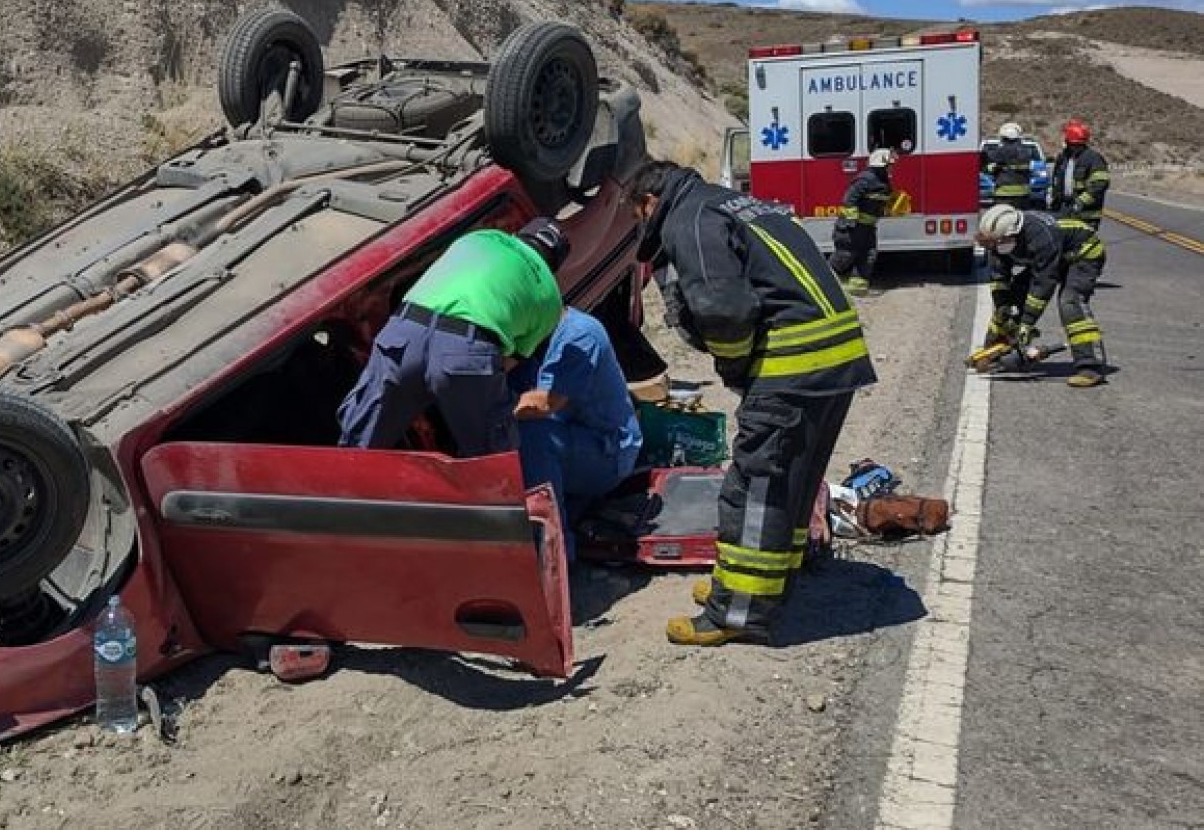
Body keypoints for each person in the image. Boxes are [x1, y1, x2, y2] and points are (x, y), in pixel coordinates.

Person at [630, 160, 876, 646]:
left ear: (649, 202)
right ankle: (767, 583)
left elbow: (724, 310)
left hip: (793, 365)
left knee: (754, 486)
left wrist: (733, 368)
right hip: (836, 359)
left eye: (637, 216)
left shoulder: (689, 220)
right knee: (793, 480)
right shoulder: (736, 204)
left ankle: (737, 611)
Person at [337, 219, 568, 456]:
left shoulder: (480, 237)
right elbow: (504, 363)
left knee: (361, 436)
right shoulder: (550, 297)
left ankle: (338, 485)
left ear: (517, 235)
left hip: (403, 332)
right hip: (466, 348)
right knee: (491, 456)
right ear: (553, 266)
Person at [509, 307, 643, 561]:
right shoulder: (534, 335)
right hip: (574, 438)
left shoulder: (580, 336)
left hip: (609, 452)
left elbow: (545, 403)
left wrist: (485, 405)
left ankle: (554, 554)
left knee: (534, 437)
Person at [976, 204, 1107, 388]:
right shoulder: (1000, 241)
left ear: (1014, 234)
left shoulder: (1040, 237)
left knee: (1070, 302)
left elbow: (1043, 285)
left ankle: (1090, 366)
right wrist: (1004, 310)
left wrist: (1027, 324)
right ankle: (997, 352)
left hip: (1083, 255)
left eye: (997, 242)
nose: (994, 247)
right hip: (1055, 259)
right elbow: (999, 279)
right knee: (1012, 299)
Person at [829, 148, 896, 296]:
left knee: (868, 256)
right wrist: (851, 223)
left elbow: (880, 204)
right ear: (881, 166)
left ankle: (857, 290)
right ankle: (823, 285)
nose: (892, 168)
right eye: (889, 165)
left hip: (868, 229)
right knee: (844, 256)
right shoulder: (865, 180)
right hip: (852, 228)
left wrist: (893, 207)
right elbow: (849, 200)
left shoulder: (884, 184)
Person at [1049, 119, 1110, 230]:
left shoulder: (1093, 159)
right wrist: (1053, 198)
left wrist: (1081, 202)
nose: (1075, 148)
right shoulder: (1063, 158)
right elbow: (1057, 181)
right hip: (1065, 211)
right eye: (1073, 145)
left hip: (1086, 215)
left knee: (1083, 246)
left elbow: (1100, 184)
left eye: (1078, 145)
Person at [986, 122, 1036, 210]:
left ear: (1004, 138)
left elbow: (989, 164)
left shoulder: (1001, 151)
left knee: (1004, 220)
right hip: (1023, 195)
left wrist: (992, 169)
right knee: (1021, 220)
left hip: (1004, 195)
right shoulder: (1026, 152)